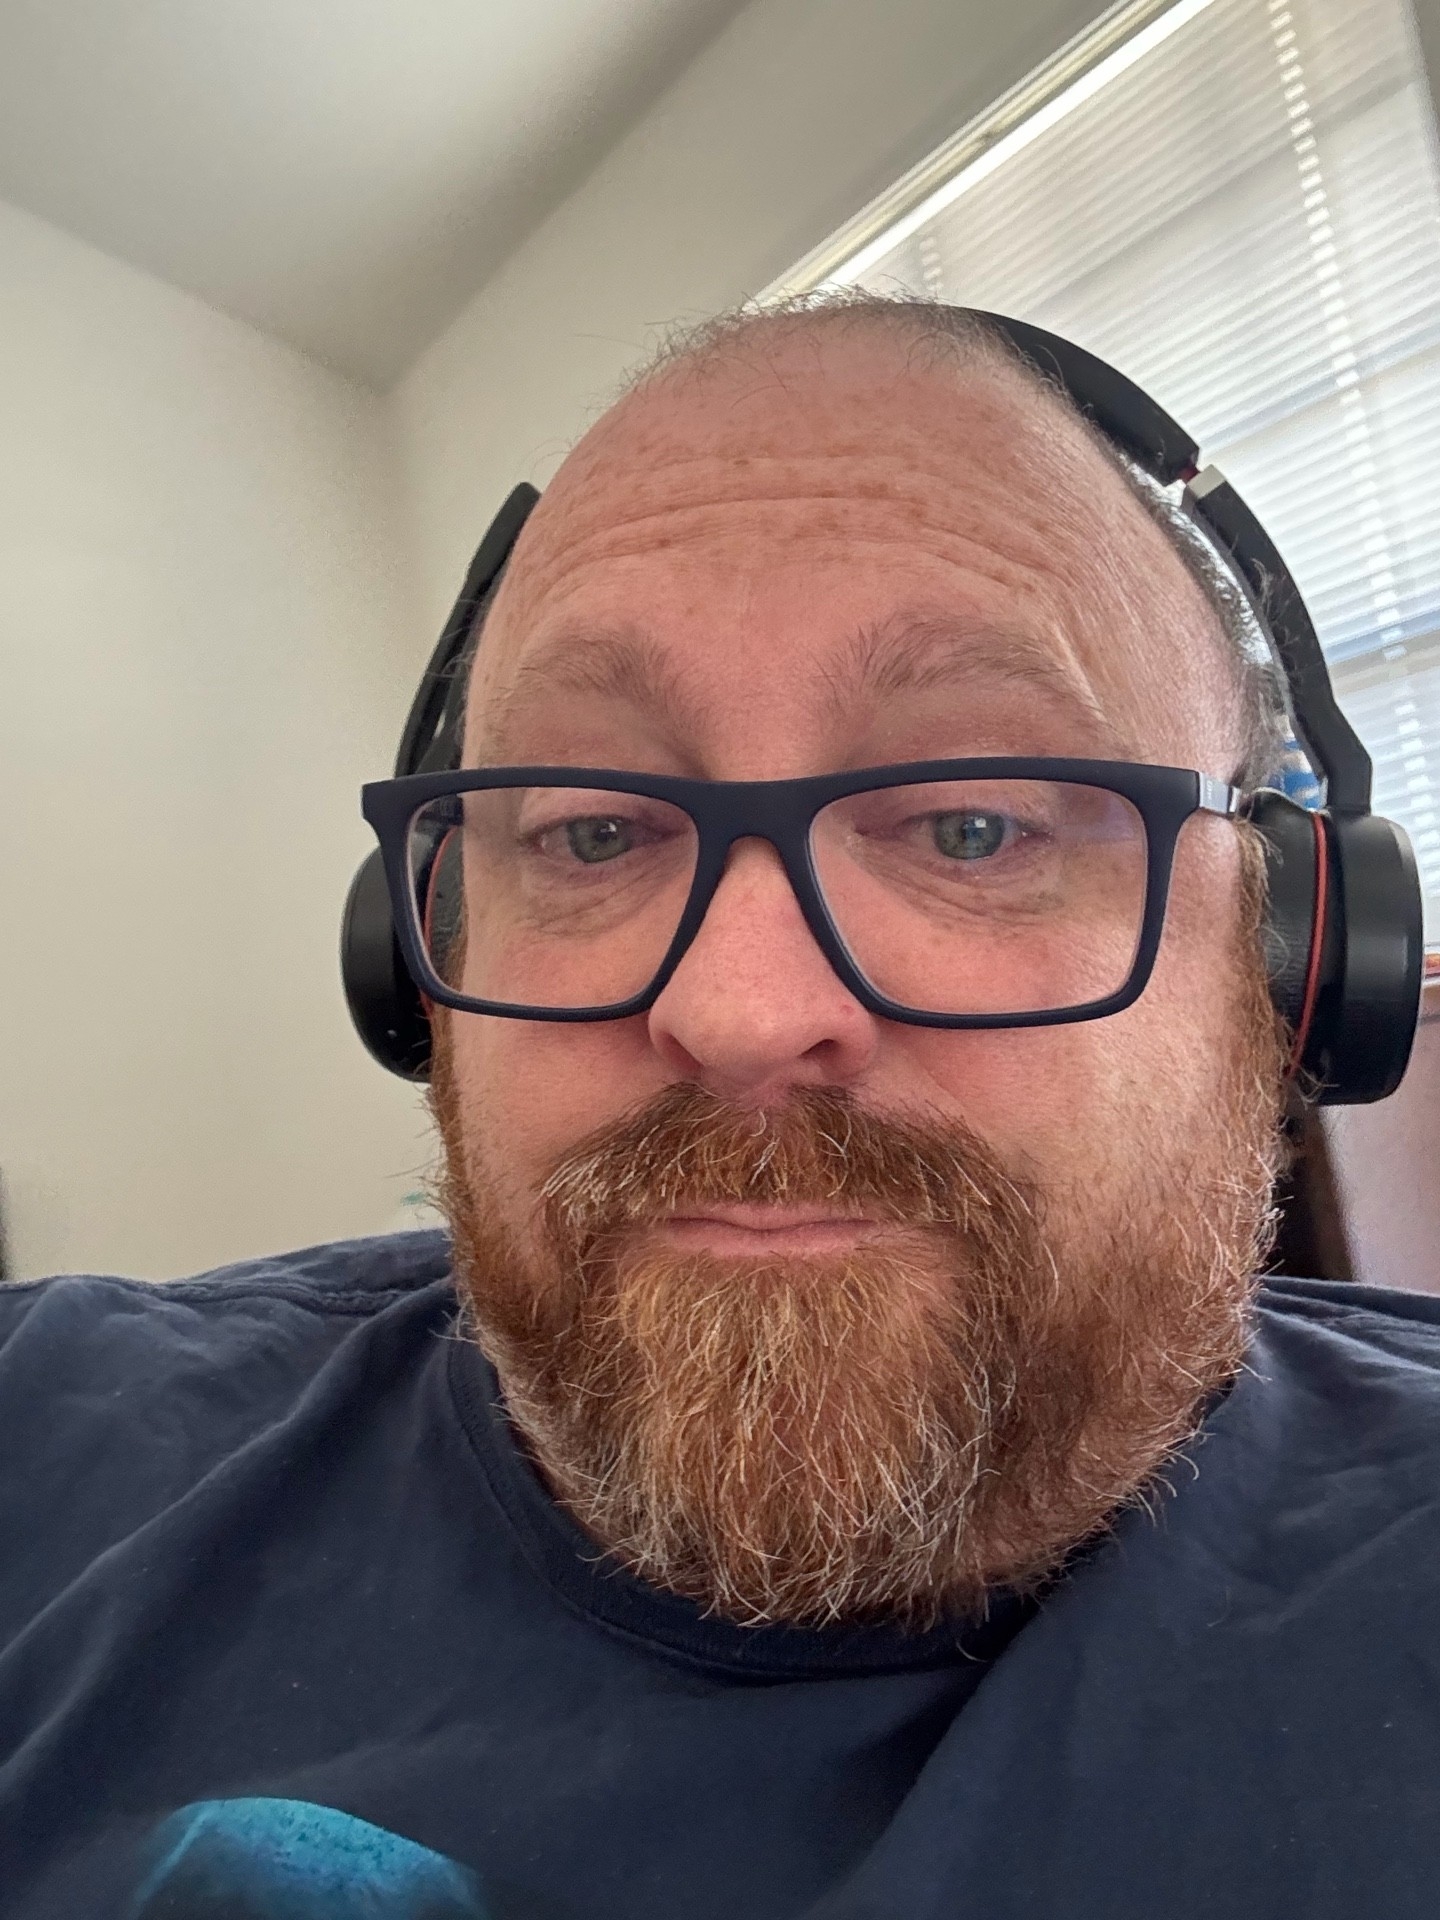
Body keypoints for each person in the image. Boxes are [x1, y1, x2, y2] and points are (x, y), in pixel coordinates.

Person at [2, 298, 1437, 1919]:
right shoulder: (41, 1438)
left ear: (1297, 963)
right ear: (418, 964)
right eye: (594, 834)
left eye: (974, 825)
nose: (742, 1014)